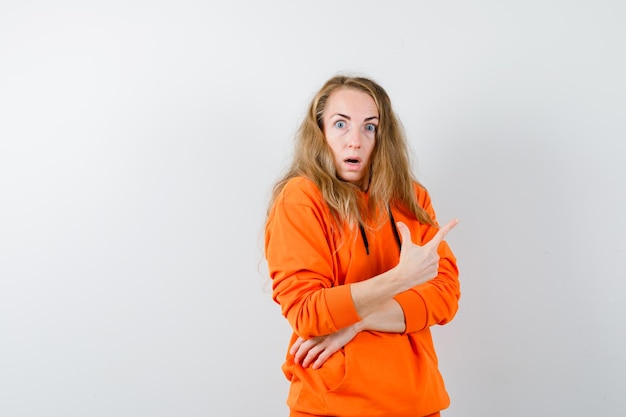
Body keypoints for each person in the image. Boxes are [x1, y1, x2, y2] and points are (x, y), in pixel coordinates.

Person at [264, 74, 460, 417]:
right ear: (320, 131)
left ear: (382, 137)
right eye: (341, 124)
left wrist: (355, 322)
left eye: (369, 127)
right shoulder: (301, 199)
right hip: (331, 406)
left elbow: (444, 296)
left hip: (417, 403)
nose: (355, 140)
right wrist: (401, 280)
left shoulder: (411, 198)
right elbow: (308, 311)